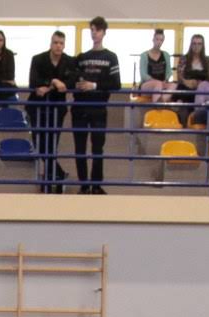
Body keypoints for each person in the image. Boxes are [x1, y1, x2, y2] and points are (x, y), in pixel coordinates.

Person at [71, 17, 120, 194]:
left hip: (98, 107)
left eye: (97, 30)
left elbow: (115, 84)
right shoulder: (81, 57)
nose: (94, 33)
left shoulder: (111, 57)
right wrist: (77, 84)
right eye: (92, 30)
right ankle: (84, 185)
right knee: (80, 148)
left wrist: (94, 85)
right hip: (80, 108)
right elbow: (72, 79)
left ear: (104, 32)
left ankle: (96, 185)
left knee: (98, 148)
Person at [28, 31, 75, 195]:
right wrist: (53, 82)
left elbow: (70, 83)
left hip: (57, 108)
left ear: (64, 45)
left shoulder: (69, 61)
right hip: (37, 107)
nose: (58, 46)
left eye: (61, 43)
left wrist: (47, 87)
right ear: (50, 43)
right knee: (39, 144)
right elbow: (33, 82)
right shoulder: (38, 59)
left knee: (51, 145)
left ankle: (51, 177)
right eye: (55, 42)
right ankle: (59, 174)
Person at [175, 34, 209, 116]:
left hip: (202, 88)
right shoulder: (184, 58)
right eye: (194, 43)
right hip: (186, 86)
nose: (196, 46)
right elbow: (179, 76)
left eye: (199, 44)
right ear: (191, 45)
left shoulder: (207, 60)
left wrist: (199, 84)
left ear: (203, 46)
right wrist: (187, 82)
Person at [137, 28, 173, 101]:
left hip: (162, 83)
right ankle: (157, 104)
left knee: (174, 85)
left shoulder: (166, 55)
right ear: (153, 40)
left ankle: (162, 101)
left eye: (161, 40)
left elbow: (169, 72)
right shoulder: (144, 55)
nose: (159, 42)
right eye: (157, 39)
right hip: (147, 84)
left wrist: (165, 80)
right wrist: (157, 81)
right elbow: (143, 74)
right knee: (158, 84)